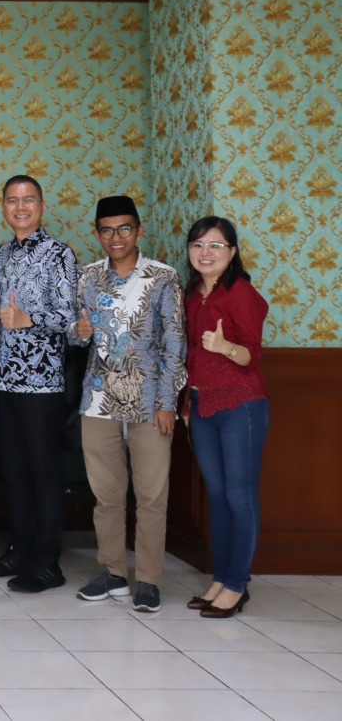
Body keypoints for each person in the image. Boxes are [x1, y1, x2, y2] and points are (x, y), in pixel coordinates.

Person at [68, 197, 186, 613]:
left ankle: (149, 580)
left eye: (124, 229)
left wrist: (168, 402)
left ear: (138, 230)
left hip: (150, 401)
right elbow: (75, 334)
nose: (115, 237)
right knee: (106, 495)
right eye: (107, 230)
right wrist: (79, 332)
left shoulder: (163, 277)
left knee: (152, 495)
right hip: (98, 399)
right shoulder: (87, 276)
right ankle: (113, 573)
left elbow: (175, 344)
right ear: (97, 233)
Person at [0, 175, 77, 593]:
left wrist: (29, 319)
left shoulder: (60, 254)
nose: (20, 207)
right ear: (3, 207)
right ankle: (19, 550)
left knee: (43, 471)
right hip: (3, 380)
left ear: (42, 205)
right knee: (13, 470)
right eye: (12, 200)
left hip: (43, 382)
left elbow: (71, 320)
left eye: (28, 200)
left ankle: (47, 561)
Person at [182, 216, 269, 619]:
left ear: (232, 252)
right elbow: (191, 357)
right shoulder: (192, 294)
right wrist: (187, 405)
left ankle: (237, 584)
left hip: (241, 407)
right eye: (198, 244)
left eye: (215, 245)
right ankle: (220, 579)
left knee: (239, 496)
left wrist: (224, 347)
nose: (205, 252)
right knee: (217, 497)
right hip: (202, 407)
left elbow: (252, 355)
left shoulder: (241, 294)